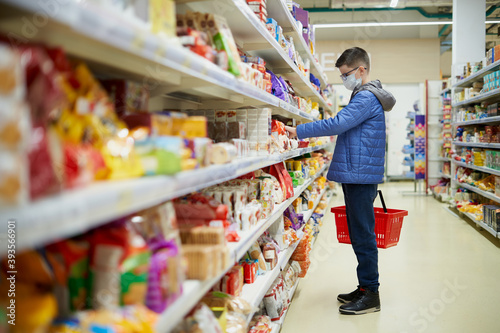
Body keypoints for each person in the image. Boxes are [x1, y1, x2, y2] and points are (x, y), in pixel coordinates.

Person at [285, 47, 396, 315]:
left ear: (361, 70)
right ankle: (364, 286)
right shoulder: (365, 96)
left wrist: (298, 130)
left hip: (359, 175)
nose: (344, 79)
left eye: (347, 74)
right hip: (357, 173)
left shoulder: (366, 97)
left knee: (363, 234)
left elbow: (336, 124)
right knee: (360, 233)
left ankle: (371, 293)